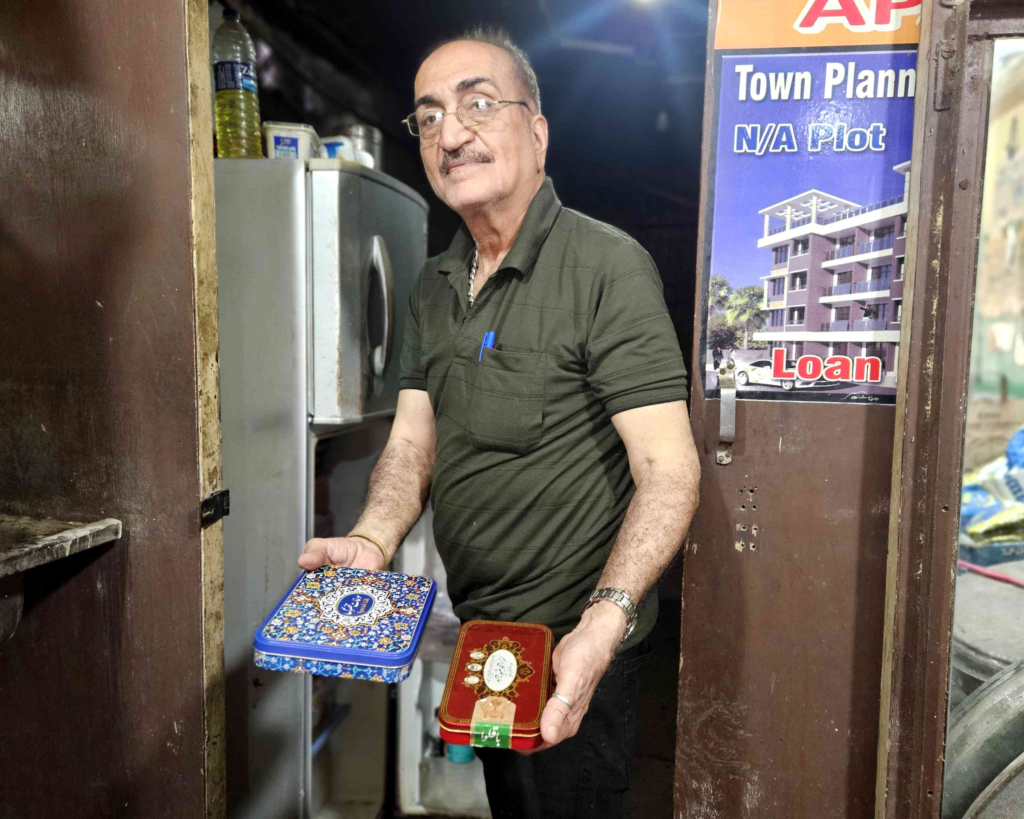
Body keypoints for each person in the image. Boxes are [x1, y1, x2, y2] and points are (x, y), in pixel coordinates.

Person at [300, 26, 700, 819]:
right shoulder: (434, 284)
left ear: (537, 132)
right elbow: (412, 442)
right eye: (430, 117)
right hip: (485, 641)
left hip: (575, 643)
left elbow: (669, 470)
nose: (451, 134)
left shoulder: (605, 267)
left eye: (478, 105)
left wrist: (605, 621)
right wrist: (372, 539)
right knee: (511, 805)